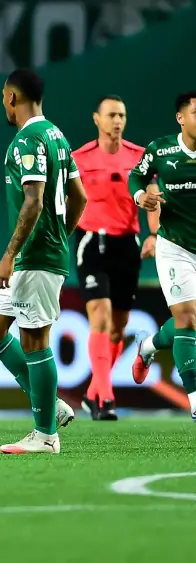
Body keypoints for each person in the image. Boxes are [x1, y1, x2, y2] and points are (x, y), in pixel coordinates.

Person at [0, 68, 88, 454]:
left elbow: (34, 199)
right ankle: (52, 404)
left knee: (34, 339)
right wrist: (62, 234)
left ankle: (46, 435)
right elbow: (80, 197)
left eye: (4, 99)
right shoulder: (57, 136)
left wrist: (10, 256)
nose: (4, 106)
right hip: (40, 251)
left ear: (12, 96)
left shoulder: (27, 139)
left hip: (32, 256)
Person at [71, 95, 159, 421]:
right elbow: (66, 200)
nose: (117, 121)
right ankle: (106, 399)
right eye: (111, 115)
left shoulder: (140, 156)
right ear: (97, 119)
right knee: (101, 317)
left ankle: (93, 392)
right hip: (91, 241)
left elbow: (154, 199)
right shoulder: (78, 158)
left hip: (126, 244)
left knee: (118, 329)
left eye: (121, 115)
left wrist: (153, 234)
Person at [130, 91, 196, 420]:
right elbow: (137, 176)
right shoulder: (161, 150)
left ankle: (149, 346)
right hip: (175, 246)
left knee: (191, 321)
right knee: (187, 318)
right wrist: (142, 195)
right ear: (181, 118)